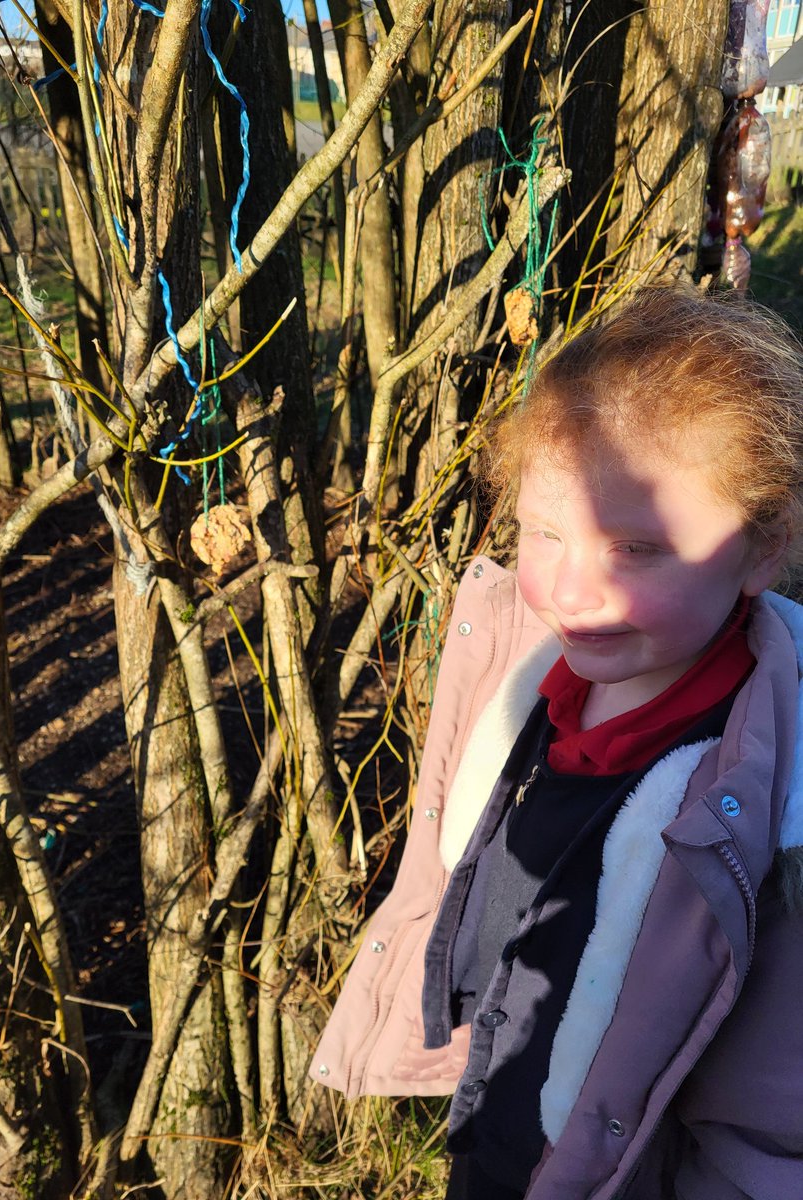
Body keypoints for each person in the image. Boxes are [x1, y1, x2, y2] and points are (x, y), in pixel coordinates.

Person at [309, 287, 803, 1200]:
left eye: (636, 550)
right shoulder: (525, 684)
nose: (570, 590)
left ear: (762, 545)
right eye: (543, 532)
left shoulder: (772, 823)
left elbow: (770, 1137)